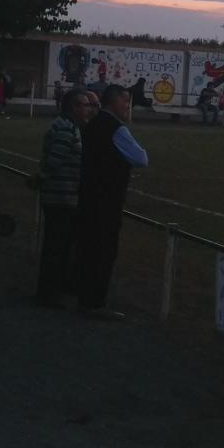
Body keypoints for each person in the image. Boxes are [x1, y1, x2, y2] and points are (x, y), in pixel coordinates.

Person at [70, 88, 147, 317]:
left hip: (87, 195)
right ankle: (95, 303)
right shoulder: (117, 128)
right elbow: (141, 158)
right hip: (107, 200)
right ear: (114, 101)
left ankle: (84, 297)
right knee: (103, 251)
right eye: (125, 100)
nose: (127, 105)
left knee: (88, 248)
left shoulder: (91, 124)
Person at [33, 89, 95, 308]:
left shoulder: (68, 126)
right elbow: (54, 160)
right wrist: (39, 178)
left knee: (57, 245)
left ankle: (51, 288)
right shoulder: (67, 129)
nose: (88, 109)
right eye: (84, 105)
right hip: (60, 196)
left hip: (62, 195)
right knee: (55, 246)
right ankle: (47, 292)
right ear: (73, 107)